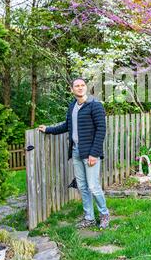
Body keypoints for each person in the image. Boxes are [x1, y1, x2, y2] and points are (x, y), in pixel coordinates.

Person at [39, 78, 110, 229]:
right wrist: (48, 129)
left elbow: (101, 130)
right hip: (76, 152)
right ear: (72, 90)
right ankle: (89, 217)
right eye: (76, 86)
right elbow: (67, 126)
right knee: (83, 186)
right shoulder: (72, 106)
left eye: (82, 85)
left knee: (93, 186)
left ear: (86, 87)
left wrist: (94, 153)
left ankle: (104, 214)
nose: (80, 88)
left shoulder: (95, 105)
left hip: (90, 153)